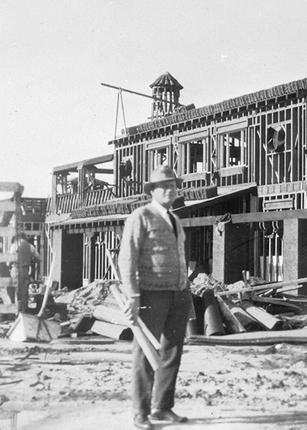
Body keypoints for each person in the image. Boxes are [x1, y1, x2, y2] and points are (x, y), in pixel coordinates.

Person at [118, 165, 191, 429]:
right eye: (164, 186)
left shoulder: (175, 219)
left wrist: (185, 291)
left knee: (172, 350)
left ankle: (162, 407)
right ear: (152, 190)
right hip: (151, 294)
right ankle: (140, 412)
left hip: (178, 292)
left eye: (173, 185)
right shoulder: (141, 216)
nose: (170, 190)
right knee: (146, 353)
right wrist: (133, 295)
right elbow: (127, 257)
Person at [7, 233, 40, 311]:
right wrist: (30, 261)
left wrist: (8, 265)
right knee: (24, 289)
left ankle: (15, 308)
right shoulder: (30, 246)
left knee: (14, 288)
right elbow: (38, 258)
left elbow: (9, 260)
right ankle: (24, 308)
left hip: (16, 268)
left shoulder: (14, 245)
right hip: (25, 270)